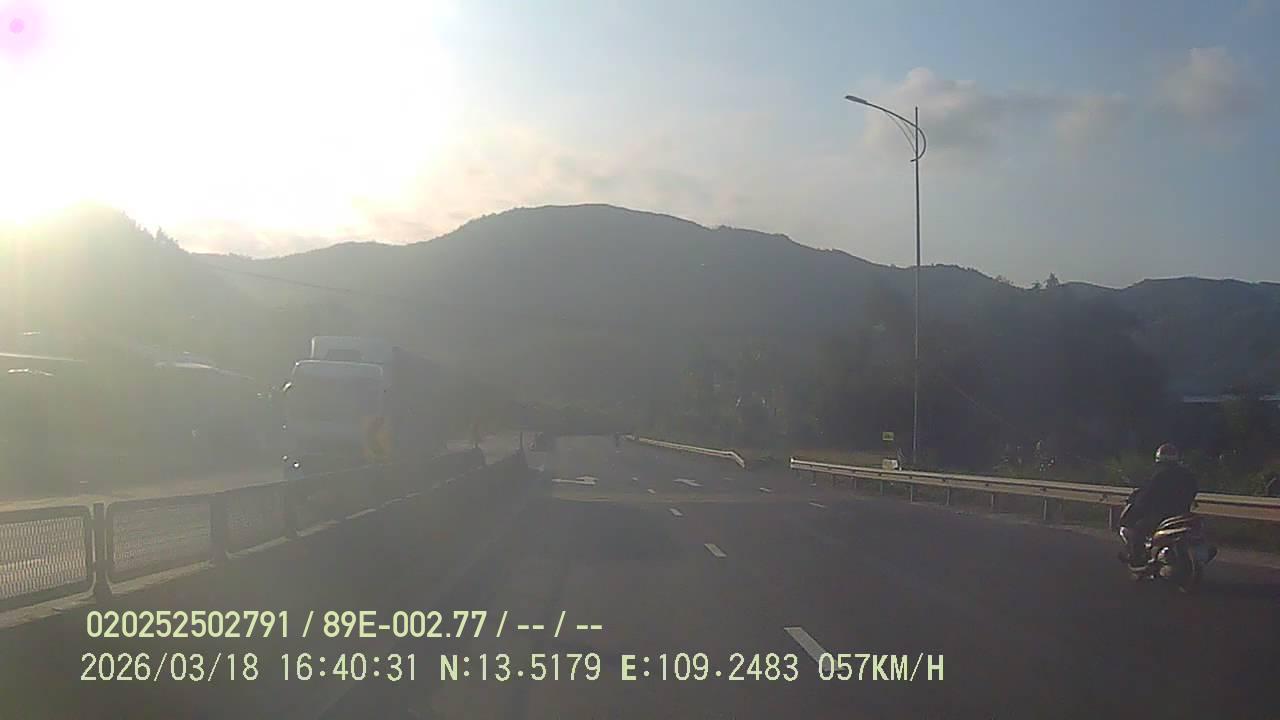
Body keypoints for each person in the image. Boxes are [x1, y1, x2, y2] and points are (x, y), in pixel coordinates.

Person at [1121, 443, 1199, 568]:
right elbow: (1193, 491)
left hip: (1161, 516)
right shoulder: (1187, 474)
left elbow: (1147, 495)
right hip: (1183, 514)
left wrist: (1137, 505)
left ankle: (1137, 560)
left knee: (1137, 529)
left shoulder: (1159, 475)